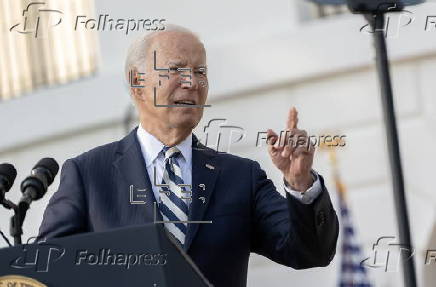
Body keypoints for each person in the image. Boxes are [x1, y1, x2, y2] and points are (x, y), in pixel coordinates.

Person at [38, 25, 339, 287]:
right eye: (176, 69)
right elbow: (47, 269)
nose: (192, 82)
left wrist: (300, 184)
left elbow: (310, 251)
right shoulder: (89, 174)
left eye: (200, 72)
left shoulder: (240, 177)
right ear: (137, 84)